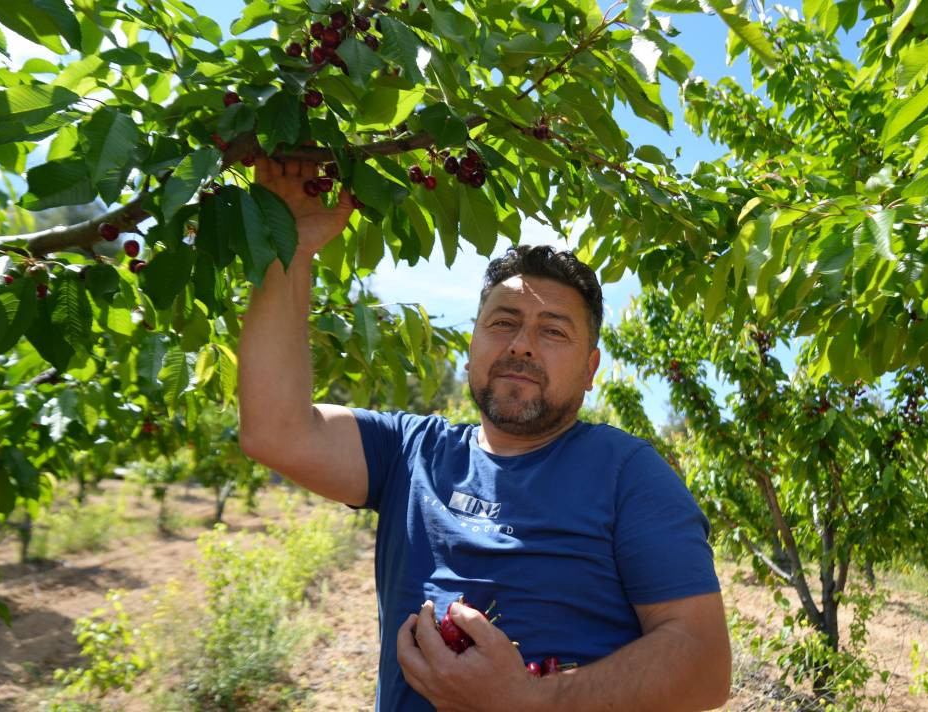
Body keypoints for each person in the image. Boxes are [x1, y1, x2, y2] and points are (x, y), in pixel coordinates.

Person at [238, 157, 731, 711]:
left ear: (592, 371)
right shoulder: (409, 452)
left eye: (552, 331)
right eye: (503, 323)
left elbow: (704, 664)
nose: (521, 344)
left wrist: (530, 701)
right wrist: (294, 247)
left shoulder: (629, 474)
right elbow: (273, 430)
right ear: (472, 347)